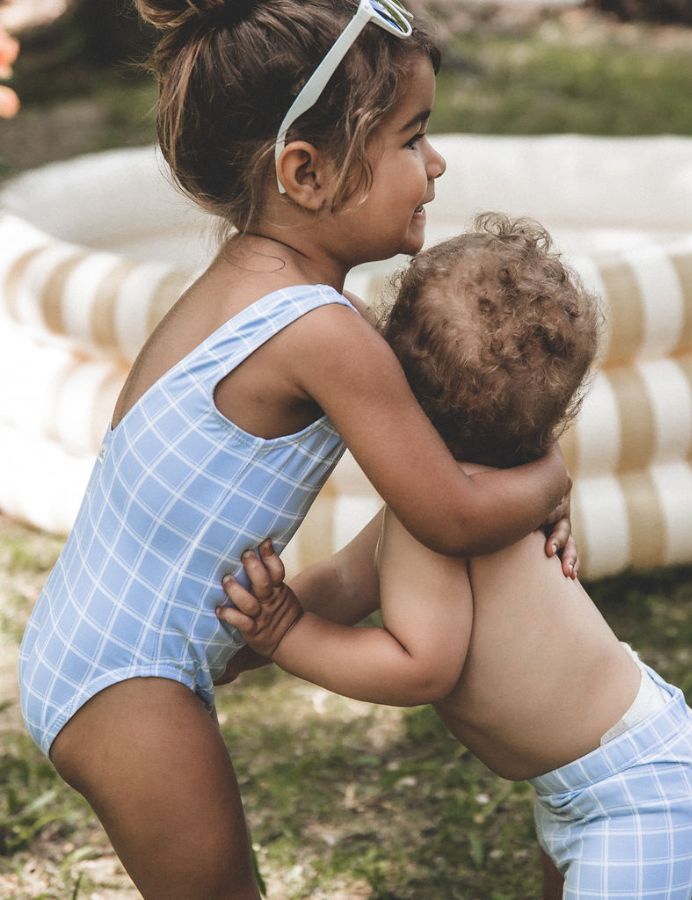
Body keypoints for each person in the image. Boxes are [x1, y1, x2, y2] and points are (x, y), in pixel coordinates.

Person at [16, 4, 575, 898]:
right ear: (306, 173)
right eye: (410, 139)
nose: (435, 165)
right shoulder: (320, 332)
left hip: (99, 651)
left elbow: (418, 498)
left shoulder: (241, 280)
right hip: (132, 683)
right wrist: (550, 476)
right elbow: (452, 513)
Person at [219, 214, 692, 900]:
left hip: (638, 792)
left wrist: (287, 635)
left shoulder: (448, 525)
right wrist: (242, 644)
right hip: (591, 778)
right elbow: (345, 580)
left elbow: (420, 668)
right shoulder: (445, 502)